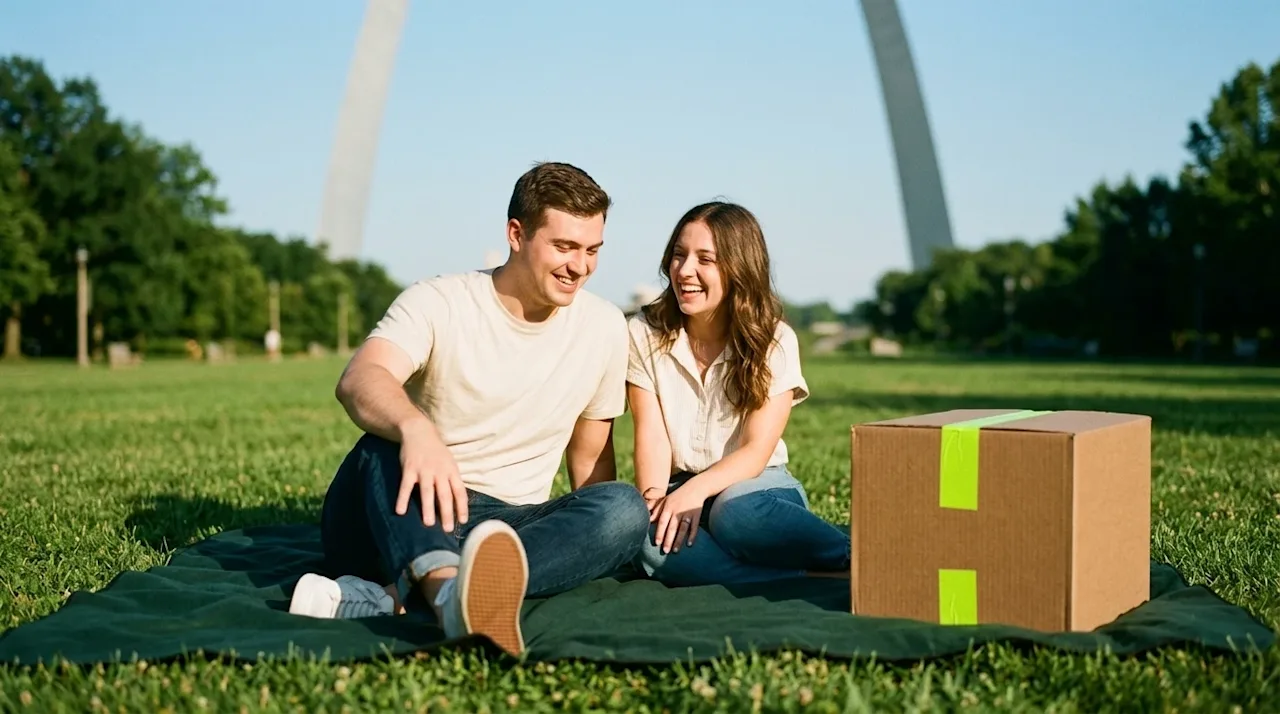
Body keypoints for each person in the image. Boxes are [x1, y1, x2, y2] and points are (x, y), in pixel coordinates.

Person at [287, 162, 651, 657]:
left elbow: (589, 462)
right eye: (564, 247)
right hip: (404, 505)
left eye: (592, 250)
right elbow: (360, 378)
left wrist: (599, 538)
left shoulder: (606, 326)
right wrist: (416, 429)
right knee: (384, 439)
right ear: (516, 234)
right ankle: (447, 592)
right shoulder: (439, 300)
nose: (580, 266)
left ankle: (415, 596)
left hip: (505, 531)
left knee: (623, 506)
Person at [626, 201, 851, 586]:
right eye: (679, 255)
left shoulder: (774, 340)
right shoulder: (642, 331)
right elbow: (651, 434)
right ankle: (807, 578)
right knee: (642, 537)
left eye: (705, 259)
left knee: (733, 515)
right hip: (678, 484)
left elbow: (755, 452)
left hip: (756, 489)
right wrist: (656, 502)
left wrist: (696, 493)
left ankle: (854, 555)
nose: (685, 271)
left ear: (738, 268)